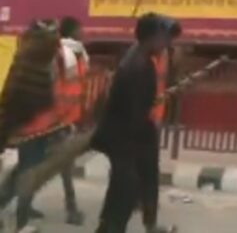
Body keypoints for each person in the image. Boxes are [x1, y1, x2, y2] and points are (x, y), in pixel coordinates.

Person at [91, 14, 176, 233]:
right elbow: (133, 114)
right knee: (126, 185)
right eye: (164, 37)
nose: (167, 43)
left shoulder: (140, 57)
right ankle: (111, 228)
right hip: (122, 136)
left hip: (128, 133)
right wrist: (143, 137)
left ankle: (113, 226)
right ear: (151, 37)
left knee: (132, 182)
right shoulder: (138, 65)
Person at [0, 20, 64, 230]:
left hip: (25, 126)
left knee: (24, 172)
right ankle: (22, 222)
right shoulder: (43, 63)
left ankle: (18, 217)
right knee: (28, 173)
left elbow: (11, 94)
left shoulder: (25, 59)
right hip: (34, 129)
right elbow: (43, 99)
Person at [140, 17, 181, 233]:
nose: (169, 42)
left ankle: (150, 222)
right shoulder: (137, 59)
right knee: (130, 175)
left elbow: (162, 84)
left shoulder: (163, 55)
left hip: (153, 121)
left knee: (149, 175)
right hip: (136, 123)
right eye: (166, 36)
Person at [56, 16, 89, 226]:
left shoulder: (79, 53)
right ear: (71, 31)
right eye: (80, 29)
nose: (83, 32)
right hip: (57, 121)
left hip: (68, 118)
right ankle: (71, 209)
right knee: (64, 166)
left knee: (32, 165)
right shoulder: (63, 54)